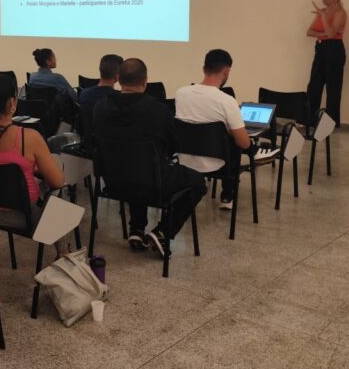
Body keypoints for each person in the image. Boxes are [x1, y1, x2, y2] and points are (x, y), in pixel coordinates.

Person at [93, 58, 205, 251]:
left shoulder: (100, 107)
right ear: (145, 81)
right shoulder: (158, 110)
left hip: (112, 184)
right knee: (196, 182)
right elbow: (173, 146)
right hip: (151, 184)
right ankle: (162, 232)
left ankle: (136, 228)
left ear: (118, 79)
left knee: (135, 165)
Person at [0, 74, 67, 252]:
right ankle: (63, 251)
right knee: (58, 174)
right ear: (12, 103)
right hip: (24, 216)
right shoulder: (29, 137)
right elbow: (58, 182)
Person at [174, 49, 250, 210]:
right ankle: (227, 194)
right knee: (236, 142)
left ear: (204, 69)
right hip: (217, 164)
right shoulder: (227, 101)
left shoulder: (181, 93)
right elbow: (244, 143)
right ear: (226, 71)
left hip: (183, 160)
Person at [306, 0, 347, 126]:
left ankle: (331, 123)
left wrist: (324, 18)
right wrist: (322, 34)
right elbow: (309, 32)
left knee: (333, 87)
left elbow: (331, 33)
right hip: (320, 48)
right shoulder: (321, 11)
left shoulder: (340, 13)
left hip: (334, 50)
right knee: (314, 86)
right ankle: (310, 120)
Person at [78, 53, 123, 143]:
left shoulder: (84, 94)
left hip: (89, 145)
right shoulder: (120, 99)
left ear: (100, 70)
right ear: (118, 76)